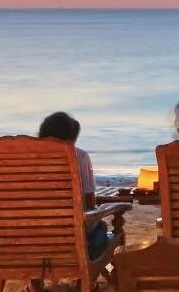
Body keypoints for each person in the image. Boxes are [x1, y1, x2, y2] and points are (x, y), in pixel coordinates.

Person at [41, 109, 122, 262]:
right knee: (101, 228)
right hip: (71, 232)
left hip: (34, 234)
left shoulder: (25, 159)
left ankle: (39, 278)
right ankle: (82, 268)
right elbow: (90, 202)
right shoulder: (79, 156)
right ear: (70, 136)